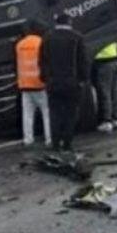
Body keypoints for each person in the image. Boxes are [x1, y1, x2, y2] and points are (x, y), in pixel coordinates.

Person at [39, 13, 88, 151]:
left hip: (53, 83)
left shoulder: (47, 38)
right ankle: (67, 142)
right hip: (72, 83)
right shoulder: (77, 37)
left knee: (55, 113)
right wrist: (83, 79)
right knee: (70, 113)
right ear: (69, 22)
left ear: (56, 22)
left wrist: (45, 79)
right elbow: (83, 61)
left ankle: (55, 143)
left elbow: (42, 61)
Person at [16, 21, 50, 147]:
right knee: (46, 113)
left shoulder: (19, 45)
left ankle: (28, 139)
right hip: (39, 84)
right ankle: (49, 139)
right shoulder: (41, 42)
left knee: (27, 115)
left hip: (25, 84)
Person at [94, 40, 117, 133]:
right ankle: (116, 119)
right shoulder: (111, 35)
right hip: (115, 62)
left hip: (103, 63)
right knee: (115, 92)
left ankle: (107, 121)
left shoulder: (99, 36)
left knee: (105, 93)